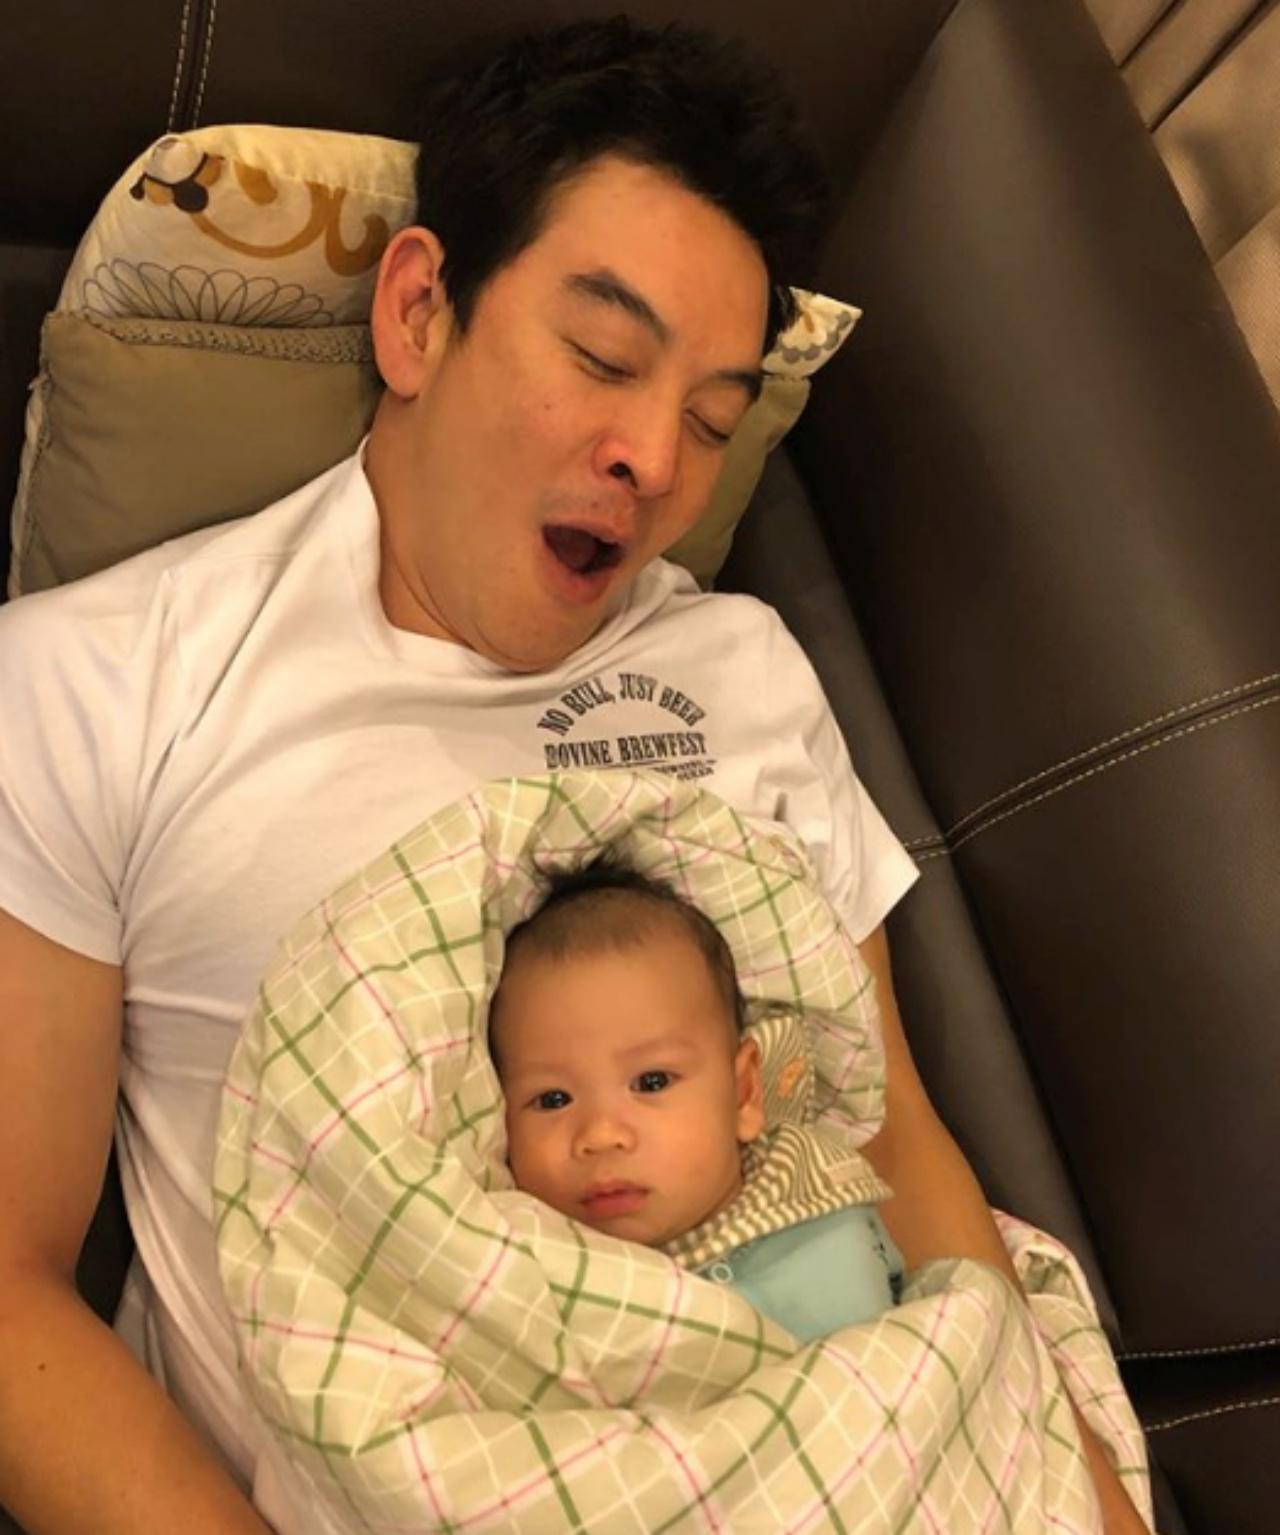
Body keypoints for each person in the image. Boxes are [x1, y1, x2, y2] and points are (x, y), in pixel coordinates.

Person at [0, 17, 1146, 1535]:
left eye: (713, 419)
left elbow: (880, 1125)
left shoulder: (742, 671)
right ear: (419, 311)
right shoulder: (100, 682)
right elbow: (9, 1284)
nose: (654, 460)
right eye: (603, 359)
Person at [489, 854, 904, 1342]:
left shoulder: (818, 1208)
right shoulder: (525, 1274)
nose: (600, 1135)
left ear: (743, 1093)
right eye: (553, 1099)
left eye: (651, 1082)